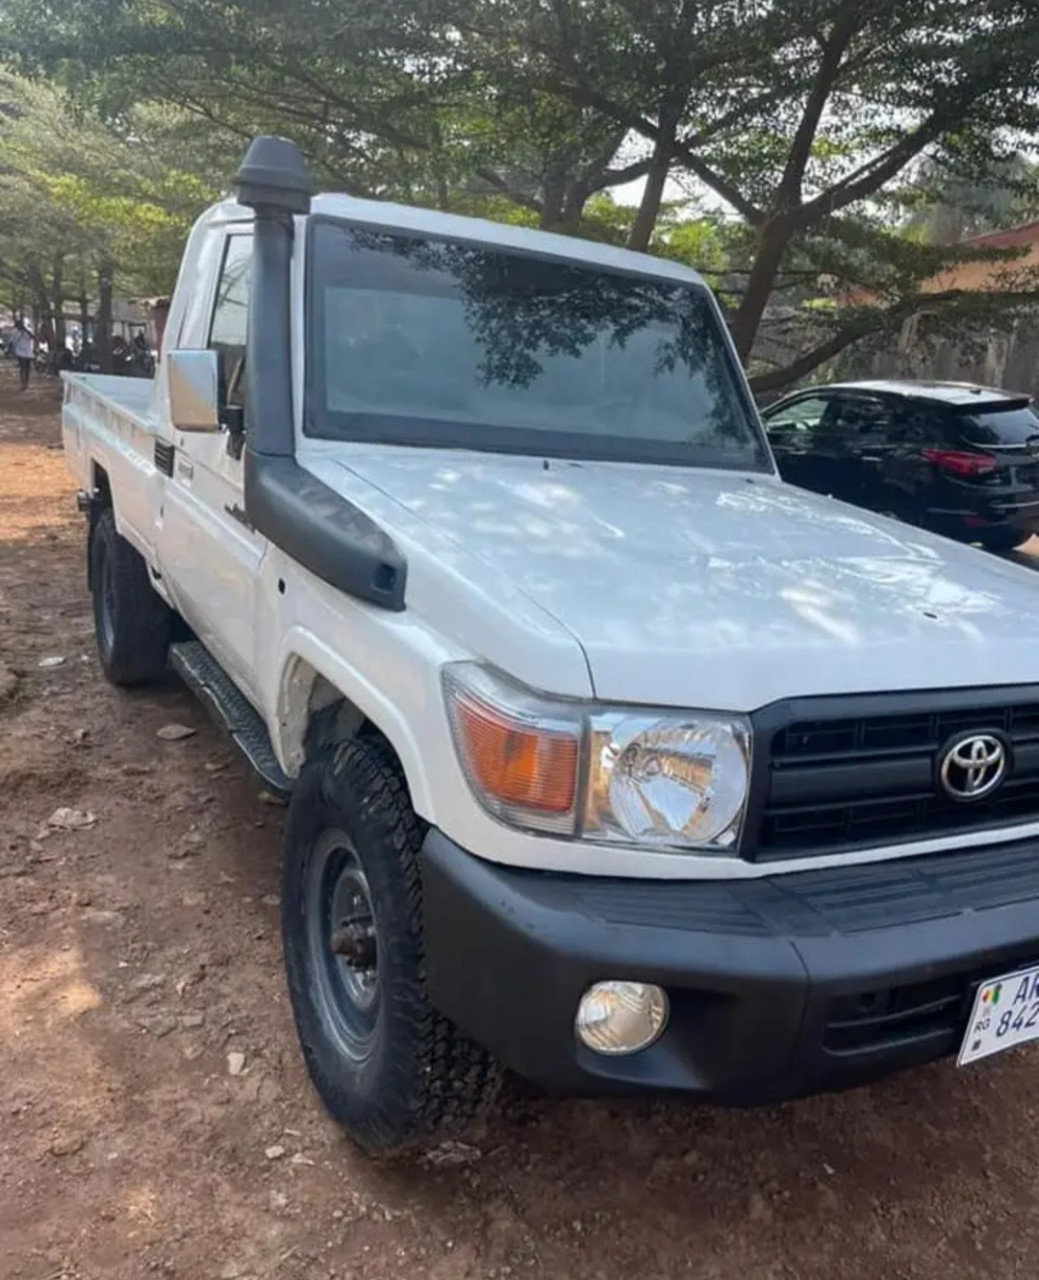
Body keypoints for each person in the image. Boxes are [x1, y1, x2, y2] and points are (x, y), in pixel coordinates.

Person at [11, 319, 33, 391]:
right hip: (20, 352)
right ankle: (23, 383)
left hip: (28, 353)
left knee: (27, 369)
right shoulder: (15, 332)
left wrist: (26, 330)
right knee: (23, 368)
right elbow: (13, 341)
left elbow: (32, 337)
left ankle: (26, 383)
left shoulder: (27, 331)